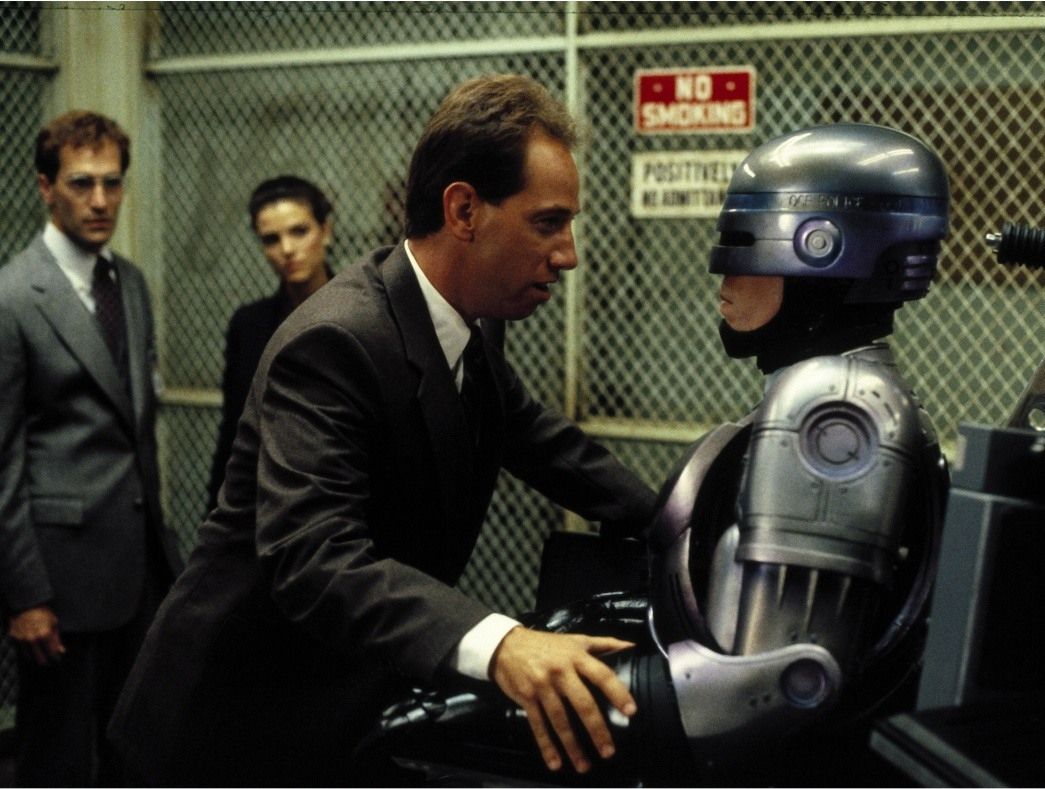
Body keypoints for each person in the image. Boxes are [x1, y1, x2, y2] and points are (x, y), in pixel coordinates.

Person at [108, 73, 657, 785]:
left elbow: (533, 435)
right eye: (547, 223)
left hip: (343, 702)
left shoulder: (472, 322)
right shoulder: (336, 340)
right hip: (231, 730)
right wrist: (501, 644)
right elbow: (313, 553)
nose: (568, 254)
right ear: (464, 210)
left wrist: (673, 519)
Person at [368, 122, 951, 787]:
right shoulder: (841, 392)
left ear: (819, 251)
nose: (721, 273)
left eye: (744, 247)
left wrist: (542, 701)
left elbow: (787, 681)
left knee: (411, 738)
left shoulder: (832, 404)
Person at [0, 110, 183, 786]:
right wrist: (25, 596)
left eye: (112, 182)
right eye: (82, 183)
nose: (101, 200)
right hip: (61, 583)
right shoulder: (13, 297)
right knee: (58, 761)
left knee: (134, 751)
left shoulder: (127, 282)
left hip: (138, 570)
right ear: (46, 188)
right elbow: (2, 463)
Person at [206, 175, 335, 512]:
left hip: (343, 499)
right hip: (268, 502)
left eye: (299, 231)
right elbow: (235, 431)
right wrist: (217, 515)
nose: (287, 249)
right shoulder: (249, 325)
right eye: (271, 239)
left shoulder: (365, 313)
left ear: (325, 230)